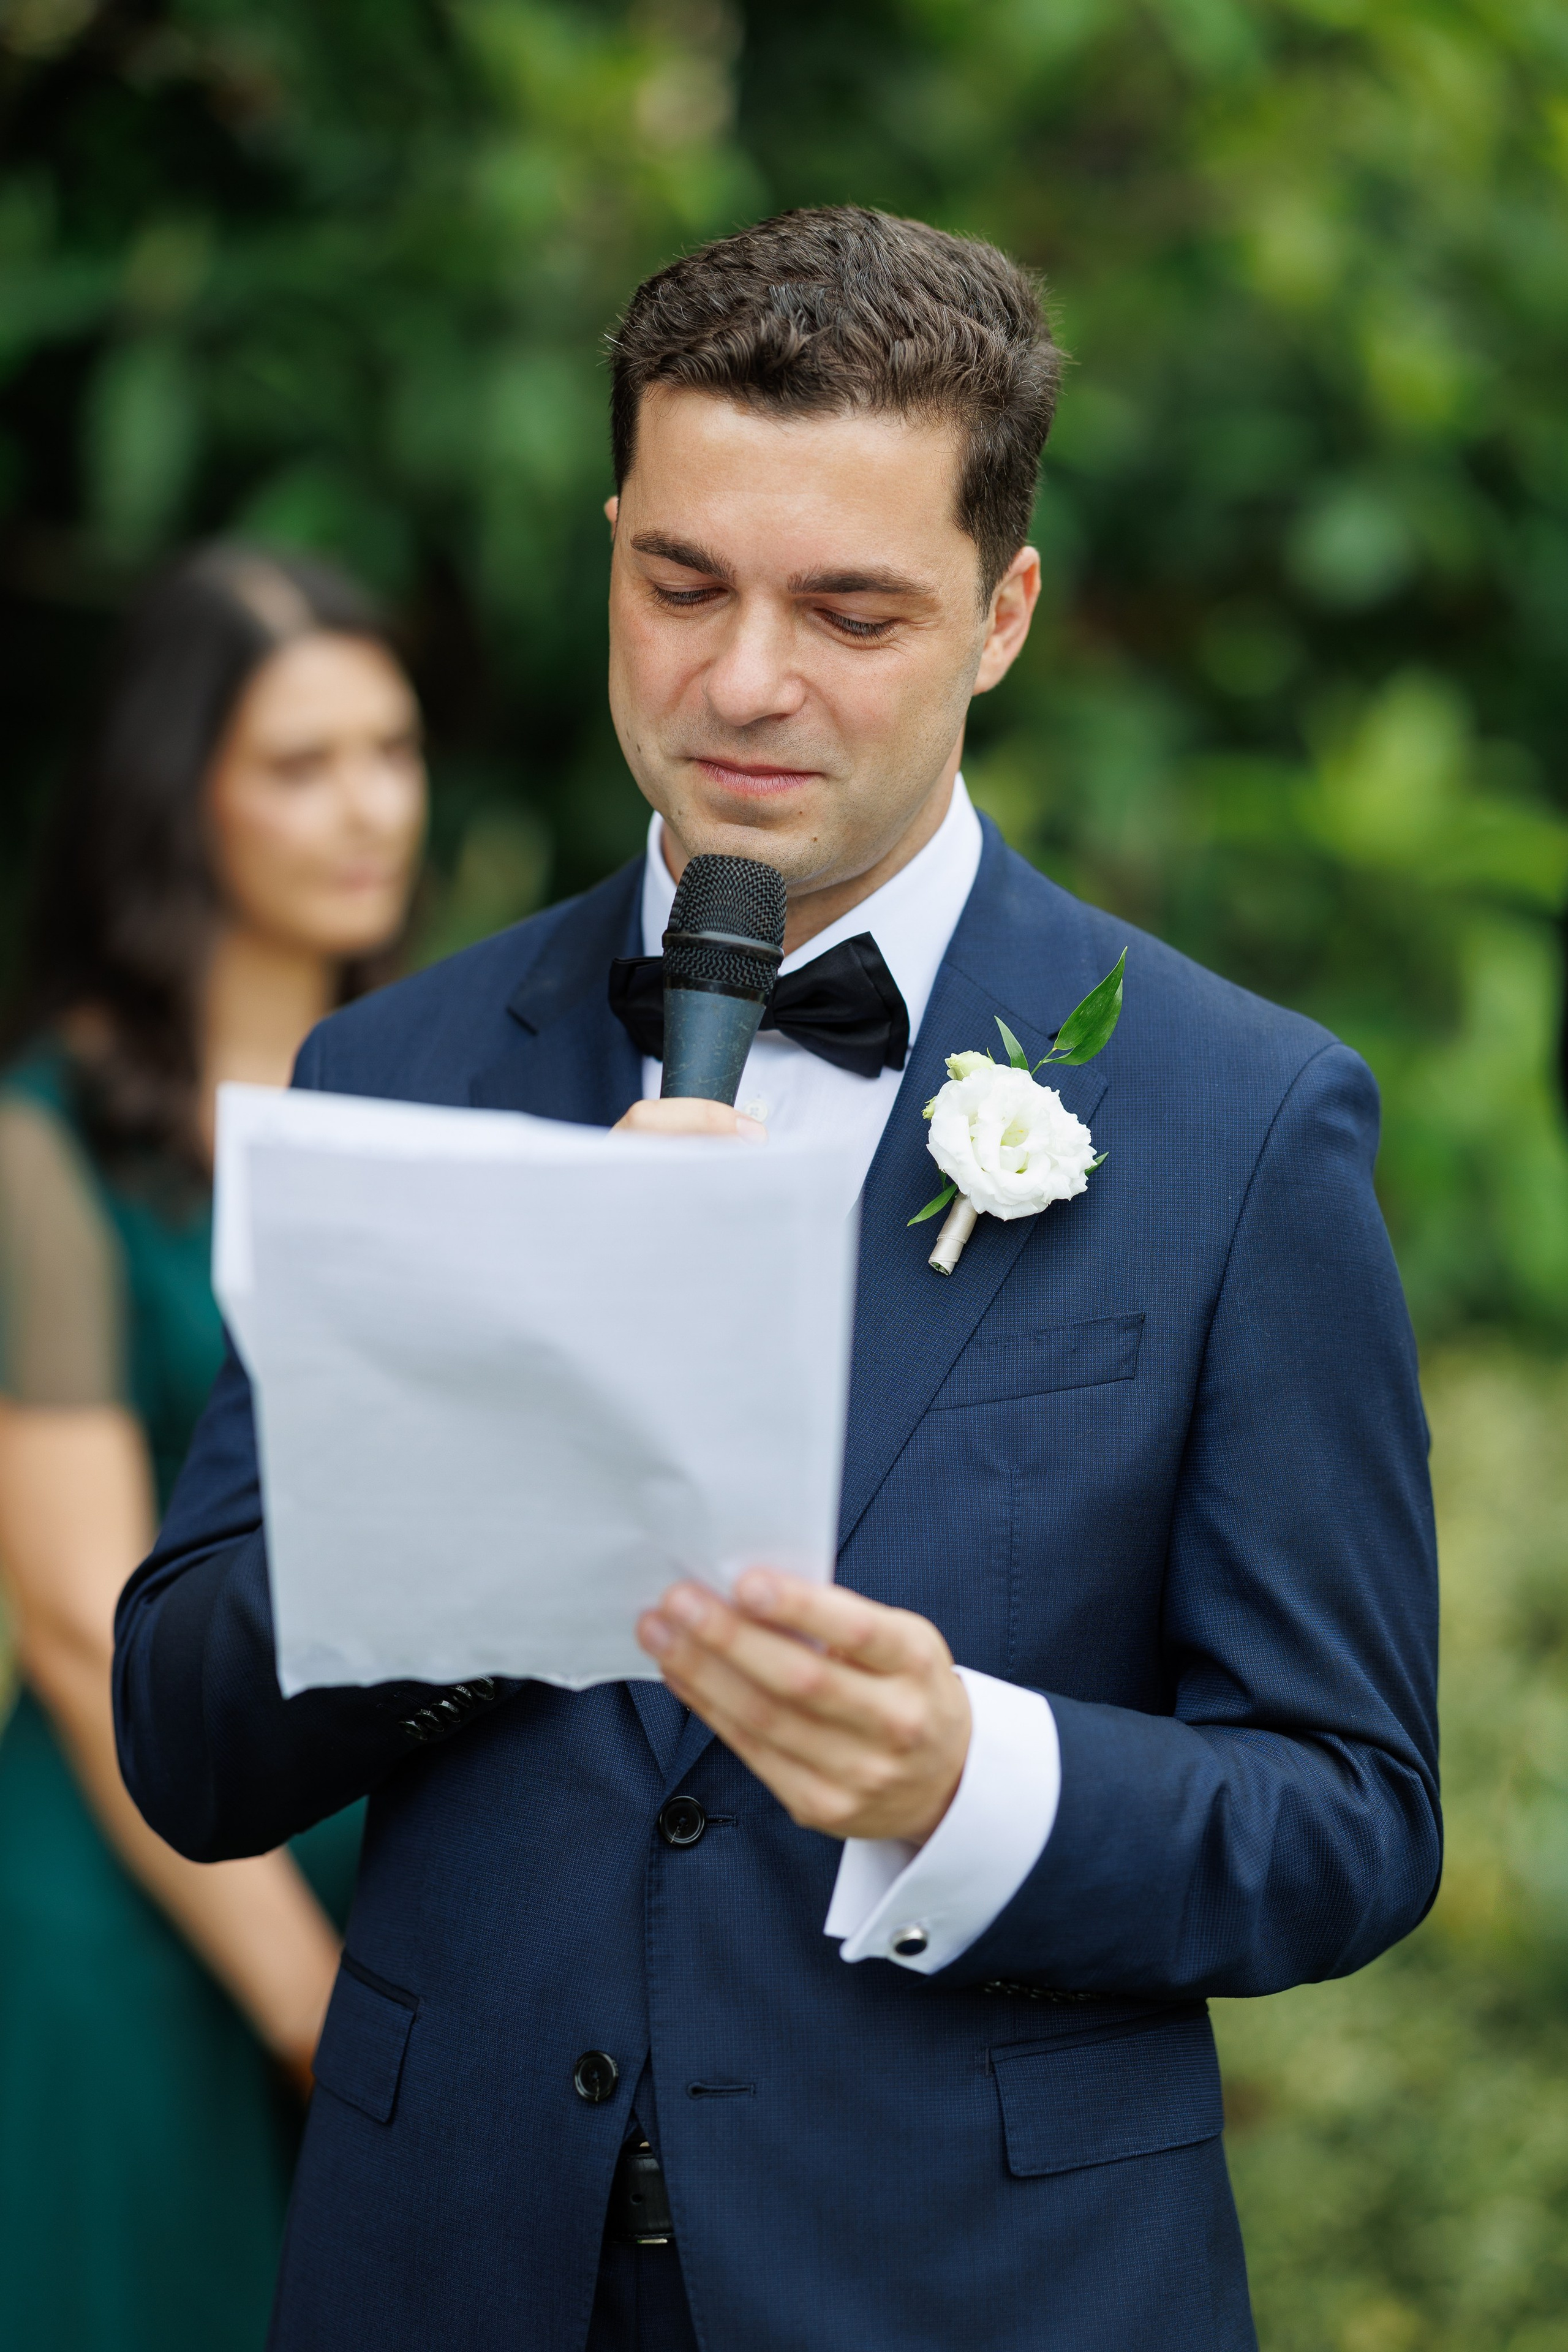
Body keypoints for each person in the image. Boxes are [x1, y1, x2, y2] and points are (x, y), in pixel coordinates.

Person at [113, 212, 1440, 2352]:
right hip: (446, 2270)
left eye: (849, 610)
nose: (743, 681)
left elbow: (1352, 1818)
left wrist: (967, 1780)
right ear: (611, 548)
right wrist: (515, 1433)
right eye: (682, 585)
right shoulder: (398, 1065)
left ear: (1003, 615)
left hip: (982, 2295)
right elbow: (187, 1740)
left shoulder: (1244, 1120)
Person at [0, 543, 427, 2350]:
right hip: (145, 1914)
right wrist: (306, 2001)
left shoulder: (446, 1092)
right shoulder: (48, 1147)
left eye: (390, 750)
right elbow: (78, 1627)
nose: (370, 808)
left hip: (398, 1881)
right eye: (301, 765)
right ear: (178, 796)